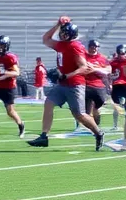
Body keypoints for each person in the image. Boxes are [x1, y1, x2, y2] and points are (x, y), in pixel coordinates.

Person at [27, 18, 102, 149]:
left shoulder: (75, 46)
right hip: (63, 84)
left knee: (79, 114)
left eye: (65, 33)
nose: (62, 35)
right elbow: (46, 39)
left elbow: (84, 67)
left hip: (75, 84)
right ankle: (44, 136)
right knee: (48, 103)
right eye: (62, 32)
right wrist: (58, 25)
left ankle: (98, 133)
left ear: (71, 35)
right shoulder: (61, 44)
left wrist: (67, 75)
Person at [80, 40, 113, 134]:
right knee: (85, 111)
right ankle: (94, 129)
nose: (93, 48)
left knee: (96, 108)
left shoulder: (102, 58)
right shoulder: (83, 57)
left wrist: (95, 69)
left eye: (95, 47)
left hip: (98, 86)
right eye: (91, 46)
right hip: (85, 85)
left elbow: (108, 70)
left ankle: (96, 124)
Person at [109, 44, 126, 130]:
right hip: (117, 85)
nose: (121, 55)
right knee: (116, 106)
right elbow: (109, 75)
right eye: (120, 53)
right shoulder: (113, 62)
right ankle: (115, 125)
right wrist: (110, 82)